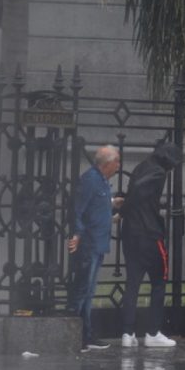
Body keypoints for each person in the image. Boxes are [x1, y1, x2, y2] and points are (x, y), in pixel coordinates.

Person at [119, 143, 179, 349]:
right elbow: (137, 190)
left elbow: (133, 190)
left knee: (132, 283)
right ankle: (153, 332)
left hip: (131, 233)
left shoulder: (141, 166)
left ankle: (128, 332)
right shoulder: (158, 171)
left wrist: (124, 211)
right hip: (149, 234)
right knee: (159, 283)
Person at [67, 145, 122, 350]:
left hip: (98, 242)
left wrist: (111, 205)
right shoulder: (90, 180)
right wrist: (78, 234)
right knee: (82, 290)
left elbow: (94, 207)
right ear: (107, 163)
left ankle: (85, 334)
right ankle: (75, 335)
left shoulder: (101, 180)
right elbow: (78, 210)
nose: (119, 165)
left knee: (89, 291)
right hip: (89, 243)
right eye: (117, 161)